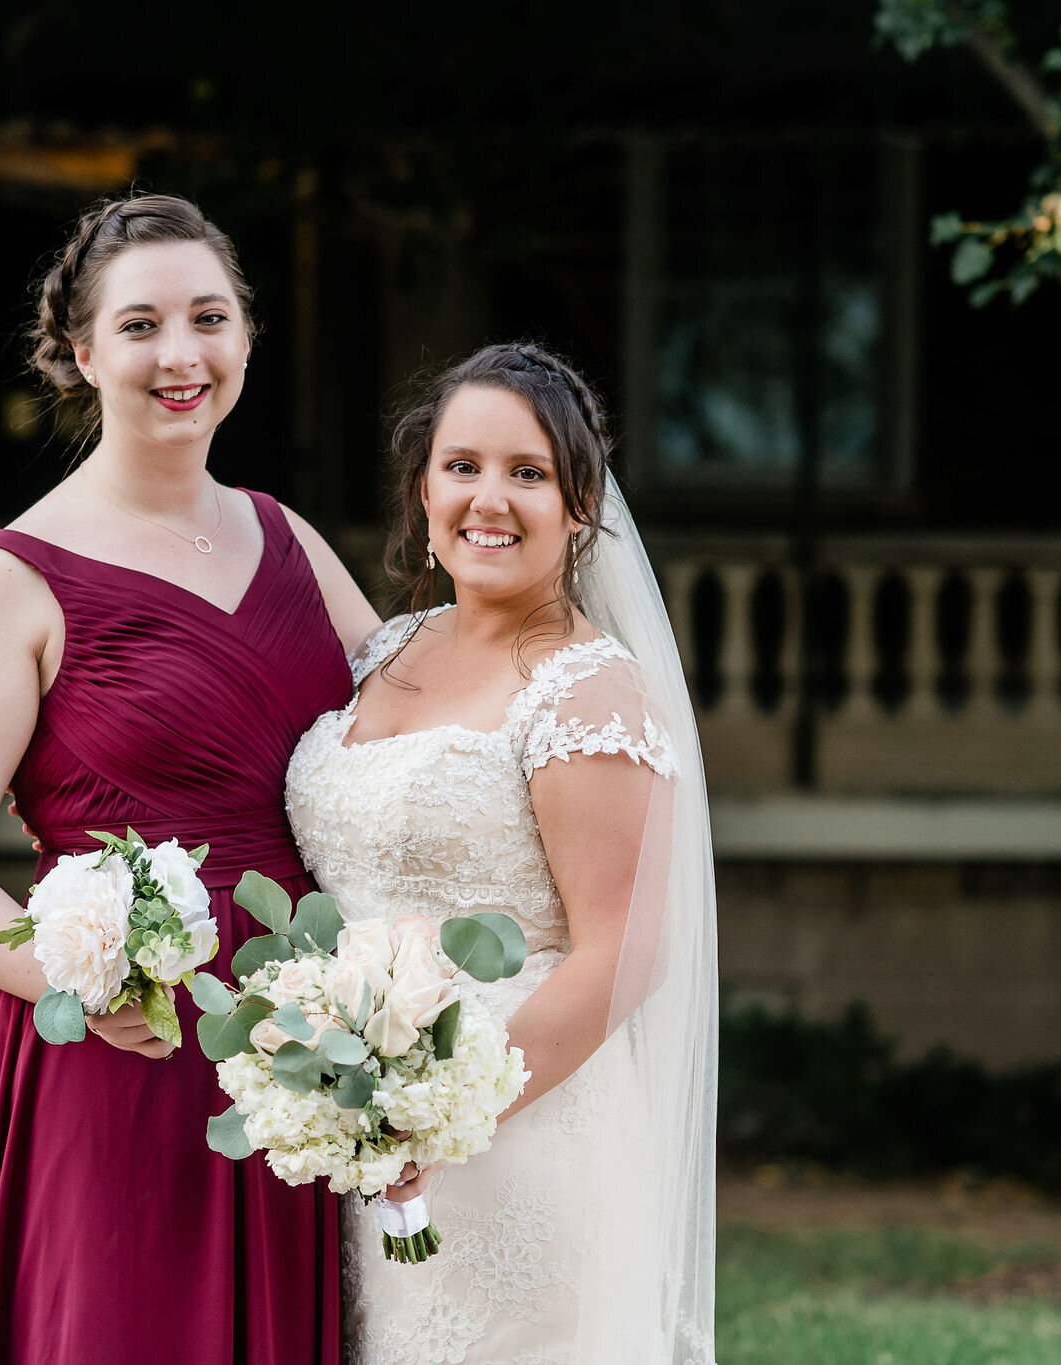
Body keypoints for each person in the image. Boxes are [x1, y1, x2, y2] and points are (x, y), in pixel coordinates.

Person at [0, 192, 379, 1365]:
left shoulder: (290, 541)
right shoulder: (8, 584)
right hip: (117, 1062)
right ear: (83, 352)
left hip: (294, 1059)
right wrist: (73, 976)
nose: (180, 354)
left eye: (208, 318)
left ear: (245, 340)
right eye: (141, 324)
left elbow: (405, 744)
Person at [285, 342, 719, 1364]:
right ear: (420, 490)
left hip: (514, 1139)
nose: (490, 498)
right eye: (462, 466)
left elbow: (622, 954)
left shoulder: (586, 693)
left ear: (579, 508)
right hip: (364, 1132)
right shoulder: (387, 651)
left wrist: (438, 1116)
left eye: (528, 473)